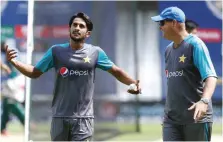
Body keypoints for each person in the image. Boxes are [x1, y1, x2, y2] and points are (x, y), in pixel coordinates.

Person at [5, 12, 141, 141]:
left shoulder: (95, 52)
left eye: (81, 26)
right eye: (74, 25)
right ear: (69, 29)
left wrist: (134, 83)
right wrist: (14, 62)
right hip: (59, 118)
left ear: (87, 33)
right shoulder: (56, 51)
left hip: (83, 119)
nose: (77, 28)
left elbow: (116, 71)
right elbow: (34, 72)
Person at [151, 7, 217, 141]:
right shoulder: (168, 50)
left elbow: (211, 77)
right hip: (171, 121)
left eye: (162, 23)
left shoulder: (195, 44)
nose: (160, 27)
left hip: (196, 119)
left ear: (174, 23)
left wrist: (204, 101)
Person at [1, 41, 25, 136]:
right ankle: (2, 128)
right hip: (10, 81)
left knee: (11, 101)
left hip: (14, 80)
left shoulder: (12, 52)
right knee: (7, 103)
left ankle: (26, 123)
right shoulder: (3, 55)